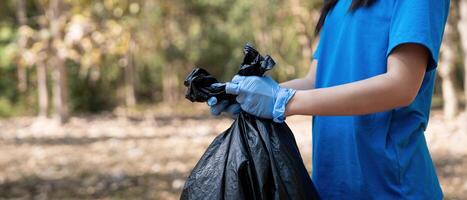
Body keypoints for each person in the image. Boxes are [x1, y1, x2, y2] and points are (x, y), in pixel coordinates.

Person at [207, 0, 450, 199]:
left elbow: (401, 85)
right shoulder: (340, 4)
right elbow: (316, 80)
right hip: (331, 184)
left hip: (391, 187)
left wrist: (284, 102)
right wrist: (249, 96)